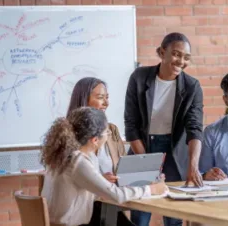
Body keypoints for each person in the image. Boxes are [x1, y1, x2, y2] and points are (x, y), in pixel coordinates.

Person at [125, 32, 203, 226]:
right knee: (139, 215)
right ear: (162, 52)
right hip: (141, 148)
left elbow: (194, 128)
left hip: (174, 151)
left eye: (186, 57)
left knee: (173, 215)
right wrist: (146, 163)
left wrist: (192, 166)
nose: (181, 61)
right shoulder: (139, 77)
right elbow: (131, 124)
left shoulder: (192, 86)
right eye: (176, 54)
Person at [41, 107, 168, 226]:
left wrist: (101, 181)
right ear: (95, 140)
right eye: (107, 132)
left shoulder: (62, 155)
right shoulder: (78, 161)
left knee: (111, 217)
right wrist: (151, 189)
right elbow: (116, 195)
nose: (108, 135)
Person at [67, 77, 127, 226]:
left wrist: (144, 177)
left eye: (107, 98)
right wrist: (100, 180)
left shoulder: (111, 130)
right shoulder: (66, 134)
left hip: (109, 203)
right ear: (83, 100)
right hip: (85, 211)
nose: (106, 103)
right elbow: (75, 175)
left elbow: (123, 168)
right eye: (100, 98)